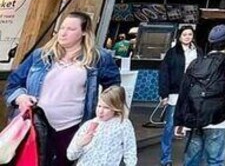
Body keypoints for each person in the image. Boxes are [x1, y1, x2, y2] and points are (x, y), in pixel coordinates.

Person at [5, 11, 121, 166]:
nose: (63, 33)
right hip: (36, 124)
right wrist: (20, 97)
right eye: (62, 28)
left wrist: (104, 115)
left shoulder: (98, 57)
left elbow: (113, 89)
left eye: (71, 29)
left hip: (72, 127)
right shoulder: (40, 55)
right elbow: (13, 84)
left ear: (84, 33)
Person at [174, 24, 225, 166]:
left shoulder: (195, 63)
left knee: (191, 159)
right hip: (217, 119)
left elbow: (183, 93)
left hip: (194, 117)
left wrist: (179, 121)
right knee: (214, 160)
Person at [158, 25, 202, 166]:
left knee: (193, 127)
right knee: (170, 126)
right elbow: (164, 73)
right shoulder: (172, 53)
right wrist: (164, 93)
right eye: (184, 34)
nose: (187, 37)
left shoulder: (198, 51)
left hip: (193, 93)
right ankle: (166, 159)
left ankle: (191, 160)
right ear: (179, 36)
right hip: (175, 93)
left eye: (190, 34)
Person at [67, 86, 137, 166]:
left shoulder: (123, 125)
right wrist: (80, 144)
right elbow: (71, 156)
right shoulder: (88, 125)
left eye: (106, 108)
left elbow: (130, 151)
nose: (100, 111)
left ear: (116, 108)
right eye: (99, 106)